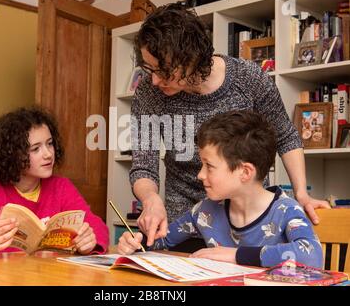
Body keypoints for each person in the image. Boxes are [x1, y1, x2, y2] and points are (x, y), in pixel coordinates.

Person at [130, 3, 329, 248]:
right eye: (149, 69)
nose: (155, 80)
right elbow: (144, 165)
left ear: (192, 59)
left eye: (165, 71)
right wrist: (151, 200)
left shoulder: (248, 78)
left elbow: (285, 136)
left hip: (251, 225)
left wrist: (301, 193)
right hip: (187, 223)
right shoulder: (150, 91)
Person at [119, 110, 323, 268]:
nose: (200, 175)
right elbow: (162, 241)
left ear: (245, 172)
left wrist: (236, 255)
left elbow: (312, 255)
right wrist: (137, 242)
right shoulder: (205, 211)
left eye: (209, 166)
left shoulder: (287, 211)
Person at [0, 106, 108, 256]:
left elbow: (100, 229)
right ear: (13, 153)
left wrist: (89, 242)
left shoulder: (61, 187)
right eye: (35, 149)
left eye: (50, 144)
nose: (48, 154)